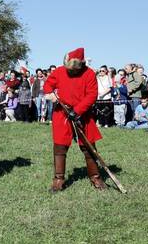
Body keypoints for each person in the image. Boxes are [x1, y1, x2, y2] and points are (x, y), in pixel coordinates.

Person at [44, 47, 107, 192]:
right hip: (62, 114)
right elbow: (48, 85)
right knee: (59, 147)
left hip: (82, 114)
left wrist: (77, 111)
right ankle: (58, 180)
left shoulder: (89, 73)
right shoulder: (59, 71)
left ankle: (95, 177)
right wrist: (52, 95)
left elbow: (92, 94)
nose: (72, 72)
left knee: (88, 147)